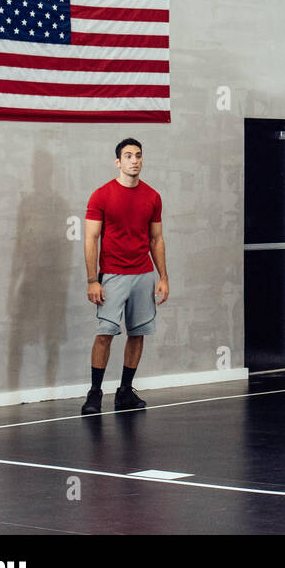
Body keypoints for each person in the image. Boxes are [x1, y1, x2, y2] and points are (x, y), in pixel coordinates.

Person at [80, 138, 168, 415]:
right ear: (118, 162)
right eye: (128, 156)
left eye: (138, 155)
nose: (134, 160)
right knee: (105, 333)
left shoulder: (153, 197)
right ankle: (95, 393)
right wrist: (92, 279)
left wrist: (163, 276)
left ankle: (125, 392)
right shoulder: (101, 195)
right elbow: (91, 239)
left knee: (138, 333)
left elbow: (156, 239)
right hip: (112, 274)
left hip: (143, 273)